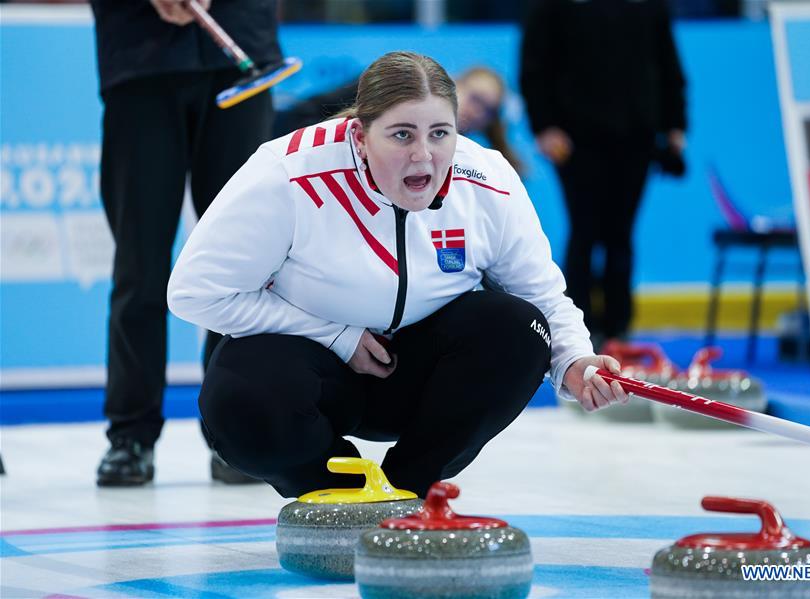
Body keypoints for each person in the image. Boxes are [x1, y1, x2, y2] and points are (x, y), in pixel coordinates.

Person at [167, 51, 627, 499]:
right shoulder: (286, 172)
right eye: (402, 135)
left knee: (520, 328)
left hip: (418, 376)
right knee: (237, 399)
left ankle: (407, 492)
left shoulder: (487, 178)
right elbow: (194, 291)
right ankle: (339, 495)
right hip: (313, 373)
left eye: (440, 133)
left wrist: (574, 362)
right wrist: (336, 337)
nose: (423, 156)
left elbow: (542, 294)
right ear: (361, 135)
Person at [91, 0, 282, 486]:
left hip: (240, 52)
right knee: (139, 259)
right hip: (140, 59)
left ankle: (233, 434)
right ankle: (130, 436)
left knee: (243, 264)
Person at [520, 0, 687, 344]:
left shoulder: (648, 6)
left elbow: (668, 63)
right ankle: (577, 329)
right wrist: (544, 126)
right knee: (584, 232)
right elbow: (534, 66)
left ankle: (619, 328)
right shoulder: (552, 8)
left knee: (621, 234)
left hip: (636, 136)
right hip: (576, 140)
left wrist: (675, 124)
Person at [274, 65, 522, 172]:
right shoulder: (400, 87)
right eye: (476, 99)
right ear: (457, 83)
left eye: (488, 110)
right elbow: (310, 110)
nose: (477, 112)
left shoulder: (470, 161)